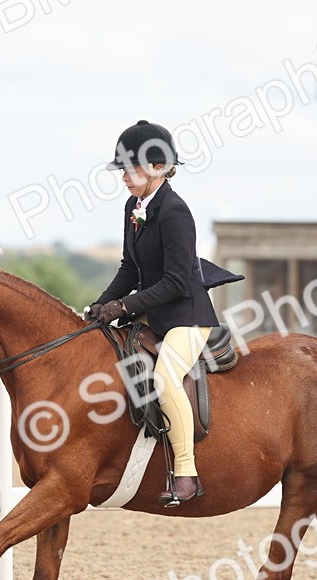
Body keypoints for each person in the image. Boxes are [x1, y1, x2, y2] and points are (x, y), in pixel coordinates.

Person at [85, 119, 220, 507]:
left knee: (163, 378)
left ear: (158, 168)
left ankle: (187, 473)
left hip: (187, 316)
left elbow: (177, 282)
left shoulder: (175, 212)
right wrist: (102, 305)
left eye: (132, 170)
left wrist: (124, 306)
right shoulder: (135, 206)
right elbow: (130, 268)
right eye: (123, 171)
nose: (125, 179)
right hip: (151, 311)